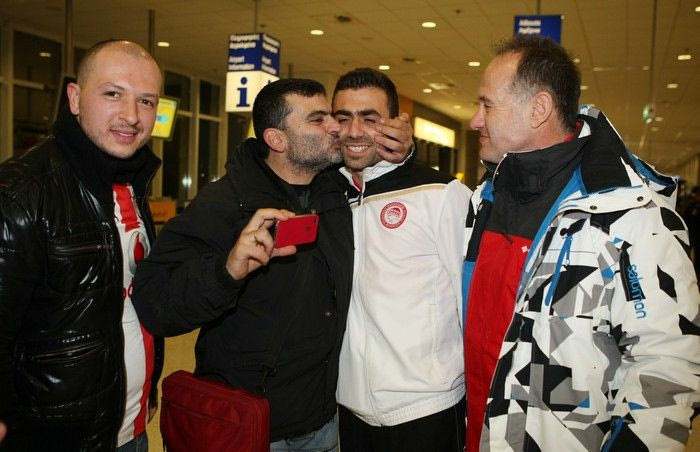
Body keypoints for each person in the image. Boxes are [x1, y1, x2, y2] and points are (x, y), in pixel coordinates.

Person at [131, 78, 413, 451]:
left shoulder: (335, 191)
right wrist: (226, 271)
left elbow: (381, 170)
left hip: (323, 424)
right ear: (277, 139)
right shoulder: (225, 203)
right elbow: (155, 304)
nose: (336, 127)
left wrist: (406, 149)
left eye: (331, 115)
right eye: (318, 119)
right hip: (248, 428)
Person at [462, 34, 700, 451]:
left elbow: (668, 368)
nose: (474, 121)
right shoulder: (483, 201)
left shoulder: (631, 217)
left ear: (538, 109)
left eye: (487, 105)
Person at [0, 40, 164, 451]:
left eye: (146, 101)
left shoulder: (131, 182)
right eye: (113, 94)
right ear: (74, 98)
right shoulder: (22, 191)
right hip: (56, 438)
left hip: (131, 427)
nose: (132, 116)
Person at [331, 68, 470, 451]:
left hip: (428, 408)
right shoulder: (330, 195)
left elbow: (472, 302)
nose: (354, 131)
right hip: (350, 408)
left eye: (369, 118)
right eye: (343, 117)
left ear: (396, 123)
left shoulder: (441, 193)